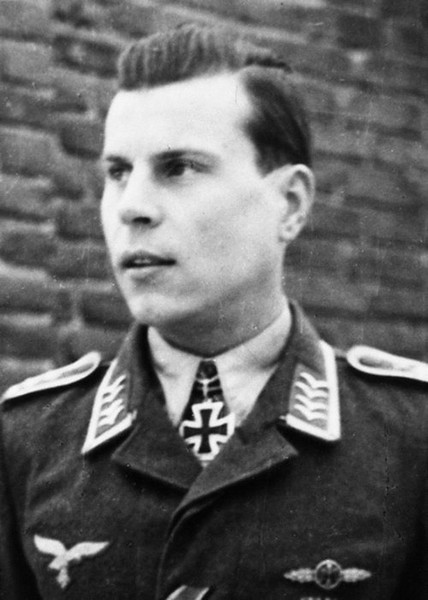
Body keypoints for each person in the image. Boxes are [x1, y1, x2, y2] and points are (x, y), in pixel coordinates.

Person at [0, 24, 427, 600]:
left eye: (178, 168)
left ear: (290, 204)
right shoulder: (29, 441)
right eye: (118, 172)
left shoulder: (409, 438)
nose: (131, 207)